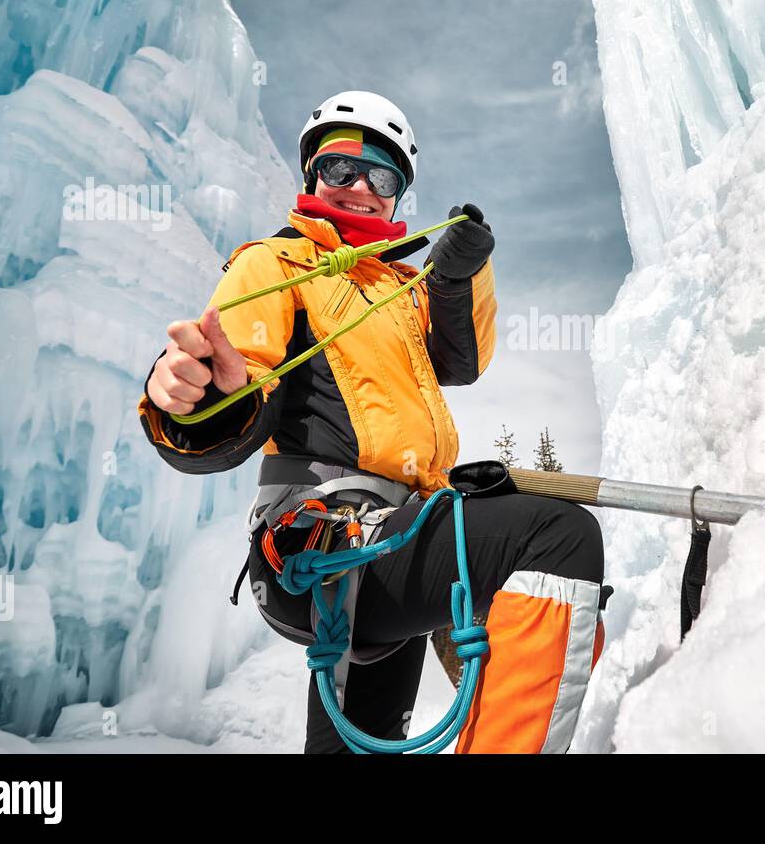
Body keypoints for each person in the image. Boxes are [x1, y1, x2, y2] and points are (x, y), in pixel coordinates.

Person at [138, 91, 606, 753]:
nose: (360, 186)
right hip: (322, 545)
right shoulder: (273, 265)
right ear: (312, 175)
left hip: (386, 540)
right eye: (340, 169)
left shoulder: (395, 291)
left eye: (381, 177)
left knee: (360, 746)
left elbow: (459, 358)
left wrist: (454, 277)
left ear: (396, 195)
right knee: (558, 538)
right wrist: (191, 399)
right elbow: (237, 380)